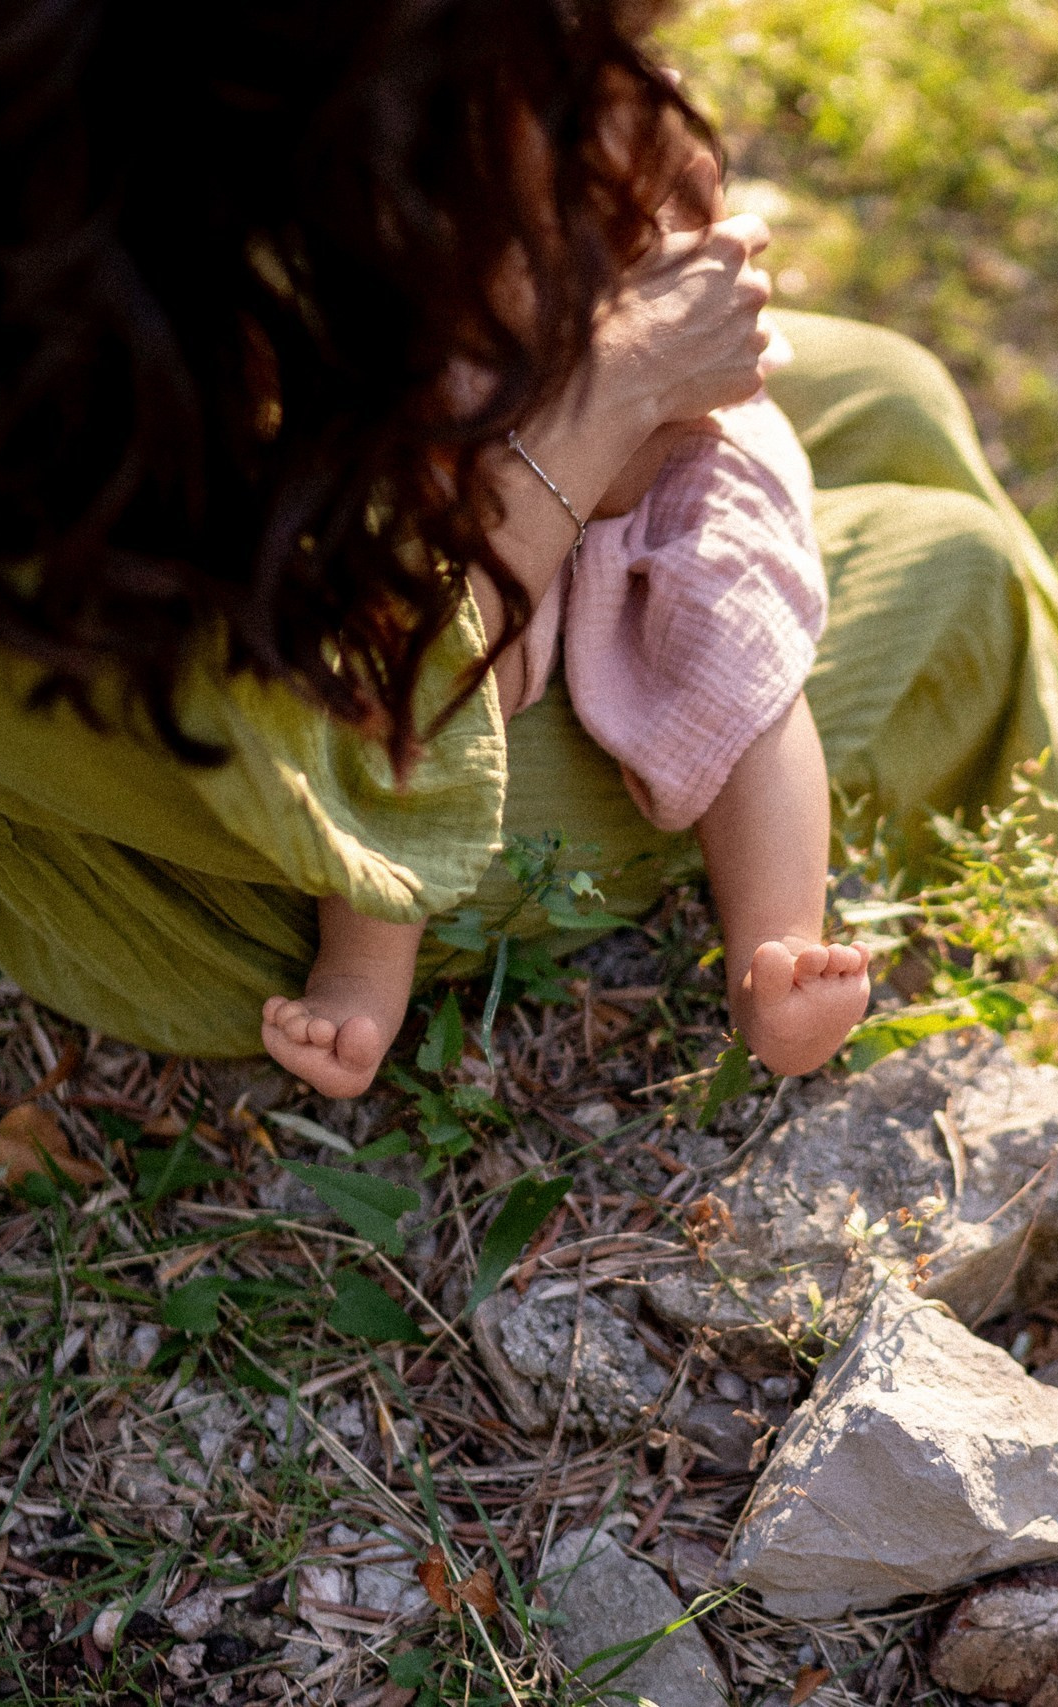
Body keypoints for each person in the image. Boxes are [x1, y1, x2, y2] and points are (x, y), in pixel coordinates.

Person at [0, 0, 1058, 1077]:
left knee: (890, 386)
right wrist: (601, 400)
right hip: (268, 816)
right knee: (954, 586)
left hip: (360, 491)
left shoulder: (41, 155)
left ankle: (971, 808)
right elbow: (352, 733)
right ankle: (983, 944)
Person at [262, 169, 867, 1095]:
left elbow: (700, 228)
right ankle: (360, 977)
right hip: (474, 477)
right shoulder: (401, 178)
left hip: (668, 462)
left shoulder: (613, 121)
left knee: (741, 659)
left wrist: (663, 273)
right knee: (420, 678)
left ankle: (775, 952)